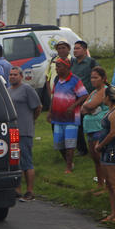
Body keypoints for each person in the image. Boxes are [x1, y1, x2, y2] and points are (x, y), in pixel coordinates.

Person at [47, 57, 88, 173]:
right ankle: (69, 162)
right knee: (59, 144)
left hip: (71, 118)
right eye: (56, 66)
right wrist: (50, 112)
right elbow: (54, 96)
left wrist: (74, 105)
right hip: (57, 117)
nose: (57, 68)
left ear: (66, 67)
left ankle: (69, 166)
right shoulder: (56, 80)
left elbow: (84, 95)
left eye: (59, 66)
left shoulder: (75, 80)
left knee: (70, 143)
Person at [8, 66, 42, 201]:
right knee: (16, 161)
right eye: (10, 74)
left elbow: (38, 107)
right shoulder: (8, 91)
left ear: (21, 76)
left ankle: (30, 191)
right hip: (13, 132)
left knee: (27, 160)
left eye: (15, 74)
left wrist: (31, 120)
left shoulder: (27, 89)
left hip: (25, 131)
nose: (12, 77)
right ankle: (17, 189)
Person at [94, 86, 115, 223]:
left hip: (113, 149)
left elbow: (113, 133)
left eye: (104, 96)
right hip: (106, 149)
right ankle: (112, 213)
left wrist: (101, 144)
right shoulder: (110, 111)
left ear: (108, 97)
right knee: (110, 184)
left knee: (114, 182)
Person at [81, 67, 109, 192]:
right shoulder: (93, 92)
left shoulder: (105, 91)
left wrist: (89, 108)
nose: (93, 80)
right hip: (90, 128)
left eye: (96, 77)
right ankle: (100, 184)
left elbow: (90, 105)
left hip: (100, 128)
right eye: (91, 77)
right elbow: (82, 109)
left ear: (103, 78)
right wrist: (88, 108)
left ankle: (108, 185)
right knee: (95, 159)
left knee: (101, 158)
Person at [71, 40, 98, 157]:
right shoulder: (72, 63)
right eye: (74, 48)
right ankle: (82, 149)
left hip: (90, 98)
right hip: (76, 99)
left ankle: (96, 146)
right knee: (78, 125)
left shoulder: (91, 62)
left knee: (92, 123)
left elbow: (98, 76)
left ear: (84, 50)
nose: (75, 51)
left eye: (78, 48)